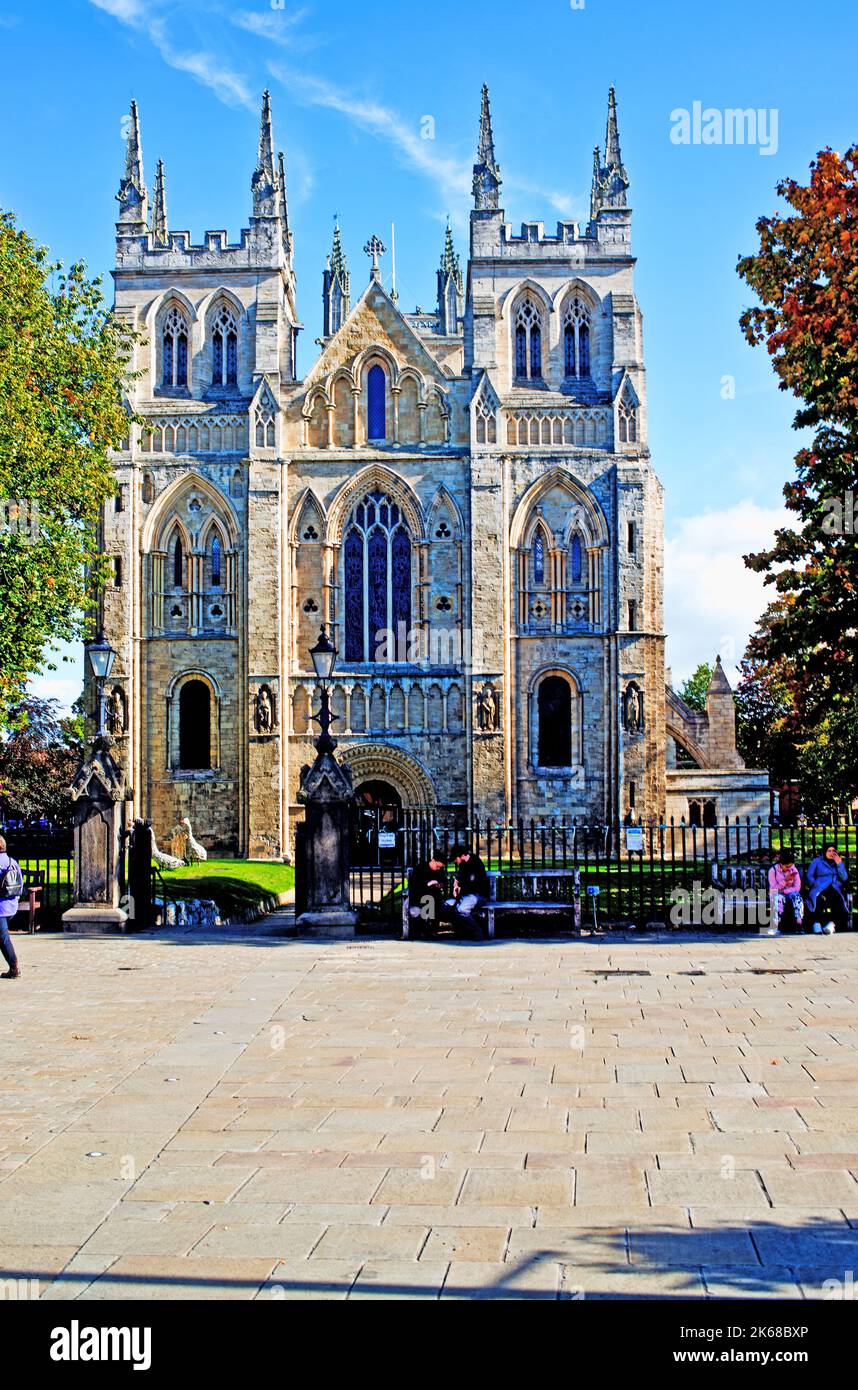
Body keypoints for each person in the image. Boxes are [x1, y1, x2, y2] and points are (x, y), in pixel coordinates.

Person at [447, 845, 490, 940]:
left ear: (461, 856)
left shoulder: (475, 862)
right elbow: (460, 878)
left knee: (462, 910)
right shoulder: (463, 864)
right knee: (451, 907)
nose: (455, 861)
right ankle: (464, 932)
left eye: (455, 859)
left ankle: (477, 931)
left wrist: (460, 885)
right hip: (468, 895)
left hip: (478, 895)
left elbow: (472, 883)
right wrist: (456, 884)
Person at [805, 844, 850, 934]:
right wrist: (814, 884)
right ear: (825, 852)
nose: (831, 853)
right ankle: (817, 924)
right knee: (819, 899)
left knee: (837, 900)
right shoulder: (817, 861)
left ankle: (831, 924)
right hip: (819, 887)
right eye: (829, 851)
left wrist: (839, 864)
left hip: (834, 887)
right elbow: (809, 875)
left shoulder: (838, 862)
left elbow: (844, 878)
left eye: (833, 851)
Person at [407, 855, 449, 937]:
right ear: (433, 860)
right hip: (420, 896)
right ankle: (425, 929)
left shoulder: (439, 871)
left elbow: (444, 881)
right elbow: (414, 885)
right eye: (437, 866)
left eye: (440, 867)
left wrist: (440, 884)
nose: (438, 869)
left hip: (435, 897)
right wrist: (427, 884)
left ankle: (431, 929)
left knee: (436, 902)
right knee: (429, 900)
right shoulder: (421, 868)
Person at [0, 835, 23, 979]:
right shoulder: (12, 862)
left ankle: (15, 968)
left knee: (3, 938)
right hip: (12, 906)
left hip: (0, 909)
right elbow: (20, 886)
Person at [767, 849, 805, 934]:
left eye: (791, 866)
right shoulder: (773, 870)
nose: (789, 868)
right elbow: (773, 888)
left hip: (789, 892)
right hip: (777, 893)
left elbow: (797, 887)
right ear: (781, 864)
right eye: (787, 867)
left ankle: (799, 924)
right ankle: (775, 926)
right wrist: (785, 881)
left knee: (797, 897)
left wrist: (785, 891)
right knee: (778, 899)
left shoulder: (794, 870)